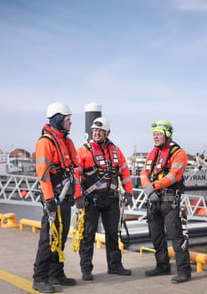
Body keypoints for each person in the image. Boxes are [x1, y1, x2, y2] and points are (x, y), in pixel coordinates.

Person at [75, 117, 134, 281]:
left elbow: (125, 172)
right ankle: (86, 269)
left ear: (107, 133)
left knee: (113, 234)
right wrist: (77, 196)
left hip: (112, 200)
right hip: (91, 201)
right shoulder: (83, 150)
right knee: (88, 235)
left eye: (100, 131)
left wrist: (128, 192)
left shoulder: (116, 151)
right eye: (94, 130)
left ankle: (115, 266)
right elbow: (76, 175)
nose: (96, 133)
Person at [32, 102, 81, 293]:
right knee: (48, 238)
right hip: (54, 199)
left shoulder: (67, 142)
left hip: (66, 198)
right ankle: (39, 278)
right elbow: (43, 174)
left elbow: (75, 171)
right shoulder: (45, 143)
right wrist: (49, 199)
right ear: (59, 119)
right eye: (68, 119)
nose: (70, 123)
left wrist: (77, 196)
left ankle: (56, 273)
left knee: (60, 238)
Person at [140, 120, 192, 284]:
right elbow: (143, 172)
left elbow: (174, 175)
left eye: (159, 133)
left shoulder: (178, 153)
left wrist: (153, 186)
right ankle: (162, 265)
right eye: (154, 134)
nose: (155, 137)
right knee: (156, 236)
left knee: (177, 236)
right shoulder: (152, 153)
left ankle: (184, 271)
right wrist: (147, 186)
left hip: (170, 202)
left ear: (167, 134)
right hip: (154, 201)